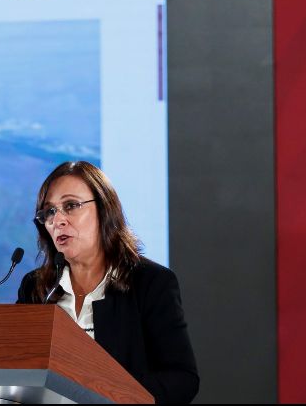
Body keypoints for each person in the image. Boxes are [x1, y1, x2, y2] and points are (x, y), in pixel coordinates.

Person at [16, 161, 199, 404]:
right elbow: (16, 368)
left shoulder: (150, 283)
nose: (57, 220)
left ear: (104, 209)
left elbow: (182, 379)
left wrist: (114, 396)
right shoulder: (36, 288)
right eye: (49, 212)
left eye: (70, 206)